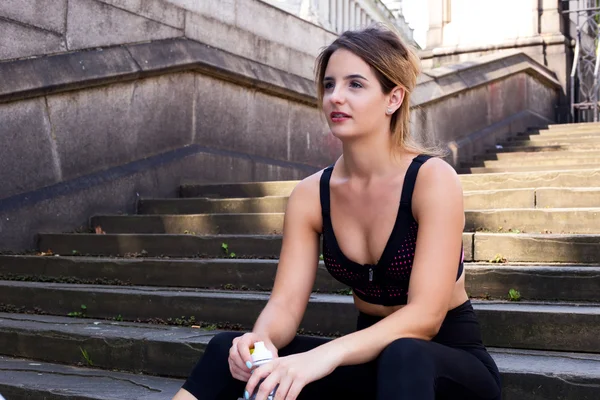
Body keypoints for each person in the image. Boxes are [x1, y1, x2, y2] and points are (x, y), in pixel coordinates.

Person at [173, 24, 502, 400]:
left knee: (405, 353)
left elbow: (425, 319)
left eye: (355, 85)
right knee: (225, 349)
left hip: (447, 364)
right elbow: (284, 304)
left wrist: (322, 357)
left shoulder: (432, 179)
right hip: (368, 362)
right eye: (329, 85)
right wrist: (258, 343)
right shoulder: (311, 194)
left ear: (393, 98)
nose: (335, 98)